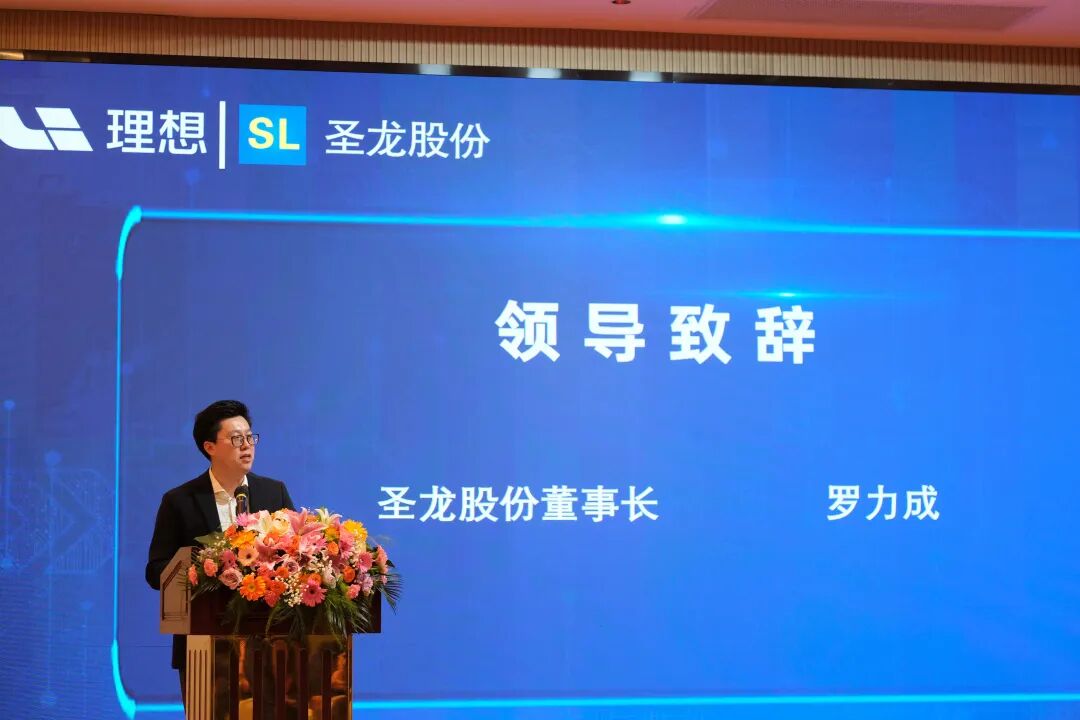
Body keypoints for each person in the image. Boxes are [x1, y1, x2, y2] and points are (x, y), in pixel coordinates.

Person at [145, 399, 295, 701]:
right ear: (210, 446)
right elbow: (156, 570)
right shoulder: (180, 500)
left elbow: (294, 552)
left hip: (270, 643)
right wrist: (204, 566)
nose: (247, 445)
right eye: (236, 438)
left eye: (250, 437)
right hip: (203, 645)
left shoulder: (273, 492)